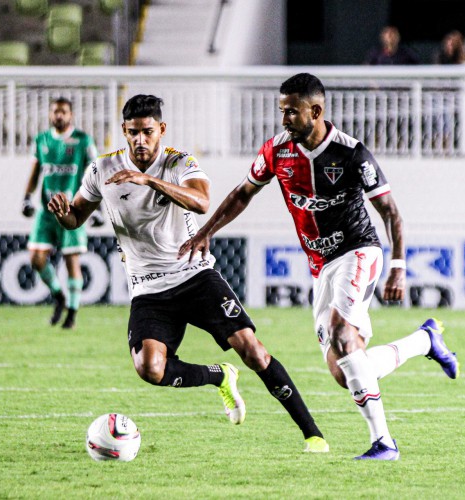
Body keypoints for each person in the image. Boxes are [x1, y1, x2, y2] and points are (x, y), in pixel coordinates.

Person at [179, 73, 460, 461]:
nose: (283, 120)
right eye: (281, 112)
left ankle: (385, 444)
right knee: (346, 371)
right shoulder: (276, 151)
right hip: (322, 267)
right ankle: (425, 340)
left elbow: (389, 210)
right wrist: (206, 231)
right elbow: (242, 193)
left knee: (342, 333)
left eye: (291, 112)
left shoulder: (350, 153)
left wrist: (398, 265)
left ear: (315, 110)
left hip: (359, 252)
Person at [47, 94, 329, 453]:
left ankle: (313, 434)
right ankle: (219, 376)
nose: (140, 140)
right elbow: (75, 219)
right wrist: (63, 215)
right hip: (147, 289)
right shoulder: (101, 169)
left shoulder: (179, 162)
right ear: (124, 131)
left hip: (194, 276)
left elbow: (202, 201)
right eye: (133, 133)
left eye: (148, 132)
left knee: (253, 351)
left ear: (161, 130)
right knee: (150, 369)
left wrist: (148, 181)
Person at [22, 97, 99, 330]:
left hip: (72, 210)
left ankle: (72, 313)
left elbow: (96, 173)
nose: (59, 116)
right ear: (49, 114)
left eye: (63, 112)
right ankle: (59, 295)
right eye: (55, 111)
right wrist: (27, 197)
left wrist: (97, 208)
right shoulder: (42, 140)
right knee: (36, 258)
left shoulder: (83, 141)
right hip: (47, 210)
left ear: (71, 115)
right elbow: (36, 172)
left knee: (70, 260)